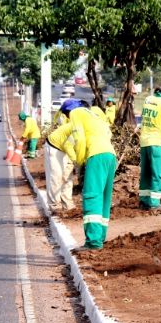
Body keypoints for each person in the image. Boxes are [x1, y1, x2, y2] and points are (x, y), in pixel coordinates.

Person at [60, 99, 116, 250]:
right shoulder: (94, 115)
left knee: (92, 196)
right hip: (110, 155)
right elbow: (108, 133)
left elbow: (79, 139)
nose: (67, 117)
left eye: (66, 113)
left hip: (96, 156)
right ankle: (100, 237)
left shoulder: (76, 113)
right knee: (104, 197)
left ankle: (93, 242)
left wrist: (80, 161)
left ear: (69, 110)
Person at [45, 123, 76, 212]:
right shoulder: (79, 127)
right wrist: (75, 159)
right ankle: (55, 206)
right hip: (55, 146)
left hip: (69, 149)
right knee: (56, 176)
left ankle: (67, 204)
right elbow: (67, 145)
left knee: (67, 177)